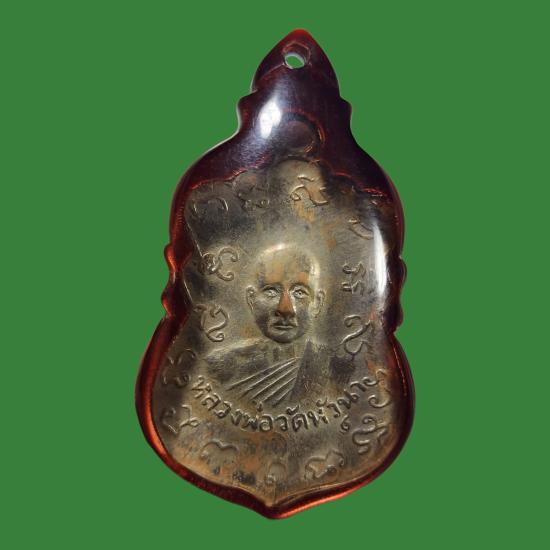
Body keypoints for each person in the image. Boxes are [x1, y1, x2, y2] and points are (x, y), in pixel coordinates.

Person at [206, 243, 348, 410]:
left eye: (300, 292)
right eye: (271, 291)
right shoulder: (220, 366)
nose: (285, 309)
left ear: (317, 303)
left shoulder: (337, 369)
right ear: (251, 299)